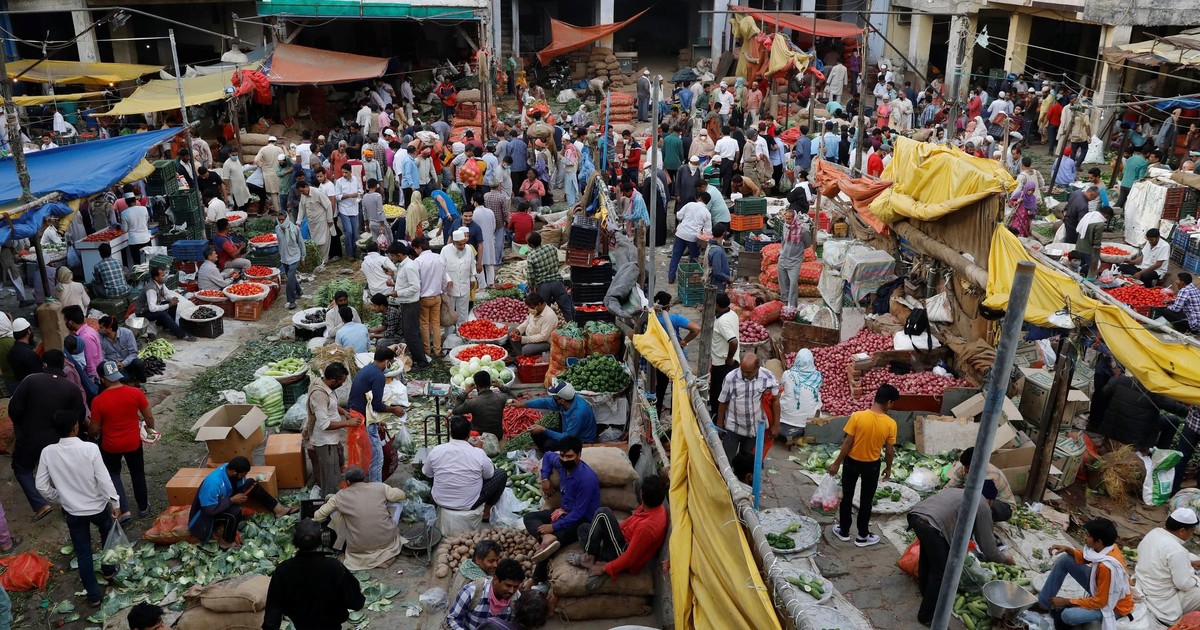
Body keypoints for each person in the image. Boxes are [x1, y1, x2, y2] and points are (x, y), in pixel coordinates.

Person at [35, 410, 120, 606]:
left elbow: (41, 485)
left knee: (83, 552)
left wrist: (59, 497)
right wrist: (114, 502)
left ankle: (93, 596)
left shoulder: (48, 452)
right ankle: (108, 571)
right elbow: (103, 479)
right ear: (75, 427)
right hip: (97, 507)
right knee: (107, 537)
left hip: (72, 511)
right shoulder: (90, 449)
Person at [908, 480, 1014, 624]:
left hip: (916, 515)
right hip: (932, 526)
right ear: (990, 499)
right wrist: (1004, 559)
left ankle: (926, 593)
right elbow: (988, 547)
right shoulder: (982, 505)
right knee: (940, 573)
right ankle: (926, 617)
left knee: (927, 558)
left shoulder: (960, 491)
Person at [11, 350, 87, 521]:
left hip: (30, 438)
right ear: (62, 366)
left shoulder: (30, 381)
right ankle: (69, 506)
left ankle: (40, 505)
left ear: (44, 364)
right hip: (58, 440)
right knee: (62, 472)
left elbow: (14, 409)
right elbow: (78, 416)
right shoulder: (71, 388)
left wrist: (22, 426)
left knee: (22, 469)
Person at [569, 474, 668, 592]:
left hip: (624, 554)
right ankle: (598, 555)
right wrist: (610, 531)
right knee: (583, 528)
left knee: (603, 513)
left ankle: (592, 558)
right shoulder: (653, 506)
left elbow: (630, 558)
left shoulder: (647, 527)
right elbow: (630, 520)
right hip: (621, 543)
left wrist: (605, 568)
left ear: (642, 494)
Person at [827, 383, 899, 547]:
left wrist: (837, 463)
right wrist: (888, 468)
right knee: (866, 501)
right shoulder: (890, 424)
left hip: (852, 462)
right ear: (888, 403)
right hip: (872, 465)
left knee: (847, 496)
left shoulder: (857, 416)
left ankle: (844, 531)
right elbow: (889, 451)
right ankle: (862, 536)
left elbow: (847, 444)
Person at [263, 518, 366, 630]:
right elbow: (356, 602)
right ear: (320, 540)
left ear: (295, 542)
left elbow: (272, 613)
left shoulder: (283, 570)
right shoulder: (334, 567)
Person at [1036, 518, 1134, 627]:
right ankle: (1043, 604)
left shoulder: (1107, 568)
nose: (1085, 538)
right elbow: (1090, 557)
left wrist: (1067, 601)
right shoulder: (1108, 546)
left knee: (1067, 615)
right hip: (1100, 588)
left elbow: (1100, 602)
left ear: (1098, 542)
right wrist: (1068, 549)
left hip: (1112, 606)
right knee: (1065, 560)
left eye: (1088, 536)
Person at [89, 361, 154, 521]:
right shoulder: (135, 393)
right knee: (137, 473)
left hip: (110, 445)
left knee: (113, 474)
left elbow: (94, 429)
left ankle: (124, 510)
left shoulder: (98, 400)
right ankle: (143, 507)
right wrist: (150, 430)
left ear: (102, 379)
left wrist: (91, 436)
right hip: (133, 442)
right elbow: (149, 417)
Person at [187, 456, 298, 548]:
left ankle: (279, 510)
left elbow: (242, 485)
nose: (243, 477)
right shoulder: (213, 483)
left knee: (251, 483)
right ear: (234, 472)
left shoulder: (230, 470)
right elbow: (209, 510)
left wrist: (240, 495)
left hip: (224, 500)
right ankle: (225, 542)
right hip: (206, 516)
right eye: (242, 475)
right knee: (235, 512)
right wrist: (232, 500)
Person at [524, 436, 600, 567]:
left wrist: (553, 527)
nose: (565, 459)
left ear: (578, 455)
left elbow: (579, 512)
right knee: (529, 517)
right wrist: (545, 479)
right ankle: (545, 538)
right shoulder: (561, 464)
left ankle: (536, 579)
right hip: (564, 512)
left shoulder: (586, 479)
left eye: (569, 456)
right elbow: (547, 456)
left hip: (582, 520)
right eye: (562, 455)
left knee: (554, 543)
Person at [314, 467, 407, 570]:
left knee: (335, 512)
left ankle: (344, 538)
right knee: (397, 503)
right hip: (387, 541)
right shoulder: (380, 487)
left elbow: (318, 516)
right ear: (364, 479)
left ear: (348, 482)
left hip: (358, 547)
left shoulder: (339, 496)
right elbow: (402, 495)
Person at [423, 415, 509, 522]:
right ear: (469, 434)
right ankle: (486, 513)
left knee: (434, 472)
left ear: (451, 433)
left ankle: (443, 496)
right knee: (501, 474)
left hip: (439, 500)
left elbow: (427, 473)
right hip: (469, 503)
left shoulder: (436, 450)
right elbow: (489, 475)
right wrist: (479, 450)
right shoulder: (478, 453)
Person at [348, 348, 409, 483]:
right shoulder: (378, 376)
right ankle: (375, 490)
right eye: (390, 362)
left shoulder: (366, 370)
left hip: (358, 415)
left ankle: (366, 483)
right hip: (363, 420)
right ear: (387, 361)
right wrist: (394, 410)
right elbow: (376, 405)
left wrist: (377, 421)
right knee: (377, 458)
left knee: (367, 453)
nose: (389, 366)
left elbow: (367, 400)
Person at [1136, 508, 1200, 625]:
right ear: (1182, 530)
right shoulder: (1176, 550)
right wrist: (1196, 580)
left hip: (1144, 588)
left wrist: (1190, 562)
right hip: (1162, 603)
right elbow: (1183, 584)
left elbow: (1163, 558)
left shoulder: (1154, 533)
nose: (1191, 534)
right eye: (1191, 531)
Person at [304, 362, 359, 495]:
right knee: (329, 473)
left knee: (337, 465)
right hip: (325, 441)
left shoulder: (326, 385)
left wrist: (344, 412)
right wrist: (348, 423)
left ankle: (336, 489)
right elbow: (325, 425)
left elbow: (332, 405)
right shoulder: (319, 395)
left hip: (332, 438)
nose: (342, 384)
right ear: (333, 381)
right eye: (341, 382)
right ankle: (329, 498)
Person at [716, 354, 780, 461]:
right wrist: (720, 425)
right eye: (743, 370)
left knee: (746, 461)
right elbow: (723, 402)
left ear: (757, 367)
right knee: (727, 460)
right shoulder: (731, 378)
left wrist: (776, 425)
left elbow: (776, 401)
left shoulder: (768, 376)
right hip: (733, 426)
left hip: (754, 428)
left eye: (749, 372)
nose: (745, 374)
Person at [649, 292, 700, 417]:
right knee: (677, 386)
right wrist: (684, 341)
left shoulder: (651, 319)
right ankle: (675, 416)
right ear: (668, 306)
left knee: (660, 387)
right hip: (677, 357)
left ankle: (657, 414)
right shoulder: (674, 319)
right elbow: (696, 328)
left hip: (661, 358)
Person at [509, 382, 597, 452]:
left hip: (580, 440)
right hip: (567, 431)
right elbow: (544, 402)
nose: (552, 399)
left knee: (549, 445)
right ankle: (548, 456)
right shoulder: (567, 401)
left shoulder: (578, 414)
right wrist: (522, 404)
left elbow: (567, 438)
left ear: (562, 400)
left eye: (554, 398)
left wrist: (544, 430)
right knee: (536, 433)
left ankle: (556, 460)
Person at [445, 559, 526, 630]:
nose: (512, 591)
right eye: (508, 585)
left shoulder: (515, 598)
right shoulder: (471, 591)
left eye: (515, 587)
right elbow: (453, 619)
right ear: (496, 579)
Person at [390, 242, 431, 369]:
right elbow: (405, 282)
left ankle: (422, 362)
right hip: (406, 304)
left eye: (392, 256)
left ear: (399, 255)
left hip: (411, 305)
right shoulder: (403, 266)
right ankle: (418, 357)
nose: (391, 259)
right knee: (411, 333)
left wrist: (398, 293)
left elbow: (415, 287)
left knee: (411, 335)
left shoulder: (409, 266)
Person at [135, 266, 196, 342]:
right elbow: (152, 308)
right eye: (162, 275)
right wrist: (168, 305)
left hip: (151, 308)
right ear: (156, 277)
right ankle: (182, 334)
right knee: (163, 314)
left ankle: (167, 326)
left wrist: (172, 299)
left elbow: (167, 294)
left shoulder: (160, 283)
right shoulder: (151, 289)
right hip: (143, 313)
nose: (165, 277)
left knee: (173, 304)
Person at [525, 232, 574, 322]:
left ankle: (544, 330)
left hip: (543, 287)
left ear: (531, 244)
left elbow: (531, 277)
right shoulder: (551, 247)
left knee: (544, 311)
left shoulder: (531, 256)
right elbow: (557, 260)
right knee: (567, 308)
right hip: (557, 283)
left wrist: (532, 288)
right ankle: (572, 324)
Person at [451, 371, 514, 441]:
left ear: (476, 386)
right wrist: (500, 386)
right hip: (497, 435)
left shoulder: (472, 402)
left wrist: (465, 392)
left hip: (479, 437)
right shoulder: (501, 398)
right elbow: (513, 398)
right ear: (490, 383)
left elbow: (455, 411)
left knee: (456, 418)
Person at [412, 236, 447, 358]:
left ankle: (427, 350)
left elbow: (417, 283)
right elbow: (444, 278)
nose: (415, 251)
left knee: (424, 324)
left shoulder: (418, 262)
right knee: (436, 324)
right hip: (437, 296)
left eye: (415, 249)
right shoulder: (439, 258)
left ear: (419, 248)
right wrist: (443, 290)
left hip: (423, 298)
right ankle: (438, 350)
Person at [778, 349, 822, 443]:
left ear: (797, 360)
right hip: (806, 421)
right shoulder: (817, 376)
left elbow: (782, 387)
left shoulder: (787, 374)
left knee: (781, 395)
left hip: (785, 418)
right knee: (817, 396)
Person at [947, 446, 1016, 504]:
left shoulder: (990, 477)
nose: (965, 470)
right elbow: (948, 488)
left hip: (1001, 505)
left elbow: (983, 503)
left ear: (978, 465)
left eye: (968, 467)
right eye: (964, 466)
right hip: (980, 501)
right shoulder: (963, 469)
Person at [709, 293, 740, 418]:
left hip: (723, 364)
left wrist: (729, 357)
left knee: (718, 393)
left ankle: (717, 419)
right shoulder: (732, 314)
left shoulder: (722, 321)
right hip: (729, 362)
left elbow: (733, 341)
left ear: (716, 305)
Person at [668, 196, 711, 284]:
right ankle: (690, 278)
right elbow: (707, 231)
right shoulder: (707, 213)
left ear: (699, 198)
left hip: (681, 233)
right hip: (693, 237)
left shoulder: (689, 205)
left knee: (675, 256)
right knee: (694, 258)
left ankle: (671, 277)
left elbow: (679, 216)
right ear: (707, 202)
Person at [442, 228, 477, 327]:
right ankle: (449, 336)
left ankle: (462, 334)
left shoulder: (469, 249)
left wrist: (472, 277)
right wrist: (448, 279)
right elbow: (441, 268)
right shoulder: (445, 250)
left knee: (463, 313)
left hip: (465, 286)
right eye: (459, 244)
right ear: (454, 242)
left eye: (463, 244)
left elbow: (472, 264)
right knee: (449, 314)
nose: (462, 246)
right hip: (451, 288)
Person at [299, 179, 334, 271]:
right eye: (300, 192)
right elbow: (301, 208)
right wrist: (298, 222)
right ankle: (318, 261)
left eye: (303, 191)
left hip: (321, 221)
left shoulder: (317, 192)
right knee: (315, 242)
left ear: (306, 187)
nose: (302, 193)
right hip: (312, 223)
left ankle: (323, 261)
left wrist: (330, 219)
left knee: (323, 242)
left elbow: (328, 204)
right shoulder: (303, 195)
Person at [275, 209, 305, 310]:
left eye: (283, 220)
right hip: (284, 257)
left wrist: (303, 257)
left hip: (294, 256)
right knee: (291, 277)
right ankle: (299, 291)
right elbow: (279, 243)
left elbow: (301, 243)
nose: (281, 222)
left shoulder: (295, 229)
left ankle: (291, 301)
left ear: (287, 218)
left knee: (290, 279)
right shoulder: (277, 229)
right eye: (279, 220)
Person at [63, 305, 102, 382]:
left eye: (65, 321)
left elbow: (91, 360)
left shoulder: (85, 337)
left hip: (93, 376)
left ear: (71, 322)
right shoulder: (88, 330)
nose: (65, 323)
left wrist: (91, 379)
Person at [511, 293, 557, 357]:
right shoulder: (536, 310)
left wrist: (523, 339)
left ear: (539, 304)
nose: (530, 309)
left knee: (526, 349)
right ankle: (519, 355)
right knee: (511, 330)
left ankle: (523, 355)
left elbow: (543, 337)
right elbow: (527, 322)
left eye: (532, 307)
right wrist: (518, 330)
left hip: (544, 342)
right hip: (530, 335)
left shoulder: (549, 316)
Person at [7, 318, 41, 387]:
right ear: (28, 331)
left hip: (23, 386)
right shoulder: (30, 354)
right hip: (35, 386)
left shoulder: (11, 352)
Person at [120, 192, 152, 265]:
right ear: (135, 200)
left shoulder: (124, 213)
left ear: (126, 202)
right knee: (149, 261)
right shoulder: (144, 209)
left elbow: (124, 229)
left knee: (137, 263)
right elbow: (147, 220)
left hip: (134, 241)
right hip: (145, 238)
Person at [706, 225, 730, 295]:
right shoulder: (717, 251)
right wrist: (728, 278)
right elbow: (717, 272)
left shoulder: (712, 245)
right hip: (717, 283)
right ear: (723, 234)